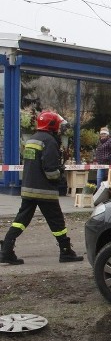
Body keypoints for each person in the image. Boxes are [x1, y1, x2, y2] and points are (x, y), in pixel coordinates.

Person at [0, 111, 84, 264]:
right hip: (44, 190)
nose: (59, 128)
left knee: (21, 220)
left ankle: (6, 250)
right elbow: (51, 171)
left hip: (29, 188)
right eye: (58, 125)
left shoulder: (32, 139)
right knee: (57, 222)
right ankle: (65, 251)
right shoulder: (49, 141)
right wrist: (61, 172)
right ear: (52, 125)